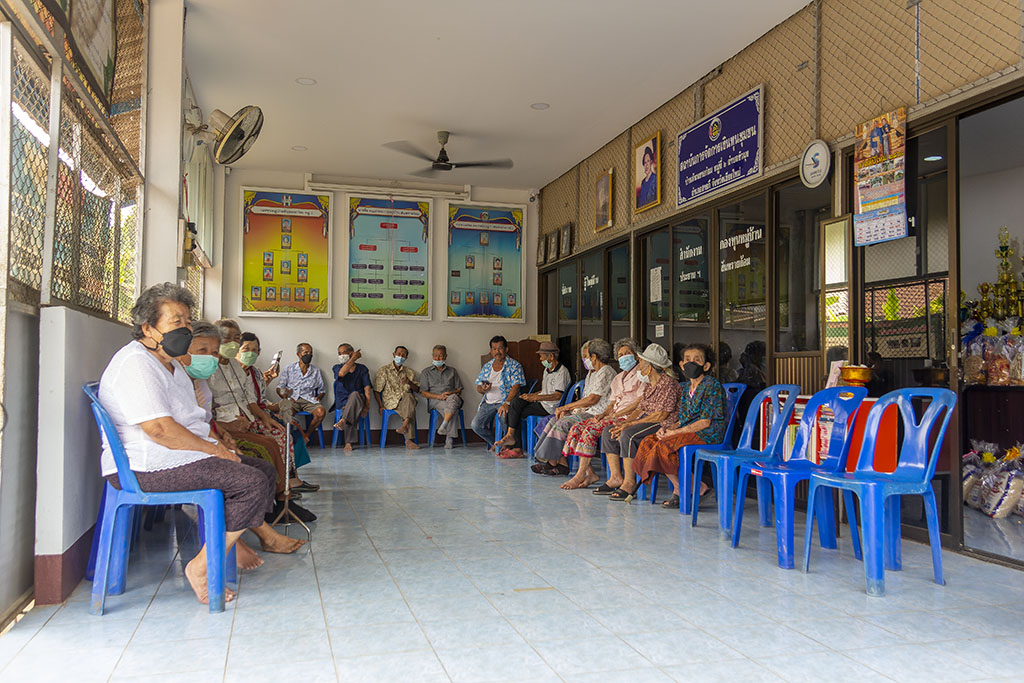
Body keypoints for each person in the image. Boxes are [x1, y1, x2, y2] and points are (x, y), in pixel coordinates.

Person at [98, 284, 305, 604]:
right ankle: (201, 566)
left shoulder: (170, 363)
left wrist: (218, 442)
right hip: (147, 466)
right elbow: (160, 429)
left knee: (262, 469)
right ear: (148, 328)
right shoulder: (137, 364)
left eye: (187, 320)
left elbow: (189, 420)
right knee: (248, 482)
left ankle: (247, 540)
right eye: (175, 321)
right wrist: (214, 449)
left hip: (176, 457)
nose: (185, 327)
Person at [633, 343, 726, 509]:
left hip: (708, 433)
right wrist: (667, 429)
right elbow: (682, 419)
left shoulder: (711, 385)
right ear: (682, 365)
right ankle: (687, 487)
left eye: (697, 360)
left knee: (665, 445)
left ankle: (688, 488)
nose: (691, 363)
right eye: (687, 360)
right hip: (688, 431)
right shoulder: (686, 388)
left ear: (706, 366)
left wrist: (673, 433)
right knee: (650, 441)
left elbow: (705, 422)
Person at [595, 343, 682, 501]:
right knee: (609, 431)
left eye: (642, 362)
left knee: (629, 434)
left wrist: (629, 425)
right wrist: (624, 421)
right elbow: (640, 408)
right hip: (648, 420)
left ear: (649, 367)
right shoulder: (650, 384)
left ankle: (629, 482)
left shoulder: (668, 384)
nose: (639, 365)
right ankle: (616, 477)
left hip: (663, 424)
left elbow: (661, 415)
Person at [559, 339, 647, 489]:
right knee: (577, 428)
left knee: (590, 430)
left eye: (627, 353)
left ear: (636, 356)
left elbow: (639, 402)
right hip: (613, 414)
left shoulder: (642, 376)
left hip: (627, 417)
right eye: (620, 355)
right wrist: (604, 414)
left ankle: (580, 475)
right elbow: (612, 403)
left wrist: (615, 415)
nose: (624, 357)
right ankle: (591, 473)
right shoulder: (619, 378)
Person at [531, 339, 616, 475]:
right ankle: (557, 462)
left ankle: (551, 461)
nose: (584, 360)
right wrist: (570, 410)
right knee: (555, 420)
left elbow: (592, 399)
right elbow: (585, 399)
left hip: (597, 413)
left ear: (594, 356)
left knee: (564, 423)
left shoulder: (606, 371)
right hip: (588, 411)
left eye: (586, 356)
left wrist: (566, 407)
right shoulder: (591, 373)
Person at [237, 332, 312, 472]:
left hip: (261, 412)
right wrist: (268, 414)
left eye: (255, 350)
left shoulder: (256, 372)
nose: (251, 353)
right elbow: (249, 402)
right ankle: (286, 479)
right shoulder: (233, 374)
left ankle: (293, 477)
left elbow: (260, 397)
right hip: (247, 417)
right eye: (246, 349)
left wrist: (275, 406)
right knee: (285, 432)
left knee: (293, 426)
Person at [494, 341, 570, 459]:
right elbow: (546, 390)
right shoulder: (547, 370)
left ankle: (515, 445)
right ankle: (511, 437)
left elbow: (557, 395)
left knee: (515, 412)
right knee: (516, 402)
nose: (540, 359)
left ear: (550, 356)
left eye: (542, 356)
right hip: (542, 402)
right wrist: (532, 395)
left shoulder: (562, 372)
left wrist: (535, 397)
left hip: (550, 407)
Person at [471, 335, 525, 450]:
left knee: (505, 419)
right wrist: (483, 389)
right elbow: (479, 387)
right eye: (494, 349)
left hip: (504, 401)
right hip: (488, 402)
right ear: (491, 351)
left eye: (500, 348)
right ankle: (496, 444)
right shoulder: (487, 366)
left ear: (506, 349)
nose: (497, 351)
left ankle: (508, 446)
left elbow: (516, 387)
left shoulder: (514, 365)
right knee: (475, 425)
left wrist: (507, 403)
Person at [276, 343, 327, 444]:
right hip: (293, 398)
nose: (309, 355)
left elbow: (322, 390)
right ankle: (298, 438)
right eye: (306, 352)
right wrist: (284, 396)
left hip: (309, 400)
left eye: (311, 353)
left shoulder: (316, 371)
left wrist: (319, 397)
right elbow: (279, 388)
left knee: (321, 411)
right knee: (286, 413)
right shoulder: (289, 369)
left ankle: (307, 436)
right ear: (298, 354)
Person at [373, 346, 420, 449]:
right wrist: (380, 406)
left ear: (406, 358)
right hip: (391, 402)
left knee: (409, 397)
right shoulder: (384, 370)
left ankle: (405, 428)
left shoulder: (409, 372)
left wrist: (409, 382)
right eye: (399, 354)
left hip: (406, 401)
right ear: (394, 355)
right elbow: (377, 390)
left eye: (403, 355)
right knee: (410, 409)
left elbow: (417, 389)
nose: (400, 356)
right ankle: (408, 438)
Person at [419, 344, 464, 448]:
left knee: (453, 399)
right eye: (435, 355)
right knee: (454, 409)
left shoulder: (452, 371)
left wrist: (450, 393)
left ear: (445, 356)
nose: (437, 358)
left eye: (440, 356)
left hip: (451, 397)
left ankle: (444, 425)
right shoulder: (426, 372)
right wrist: (439, 396)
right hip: (436, 401)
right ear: (432, 356)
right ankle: (449, 438)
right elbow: (423, 392)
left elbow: (459, 389)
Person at [330, 343, 372, 451]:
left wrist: (367, 406)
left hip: (359, 400)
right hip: (342, 401)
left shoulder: (362, 369)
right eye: (339, 353)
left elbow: (367, 388)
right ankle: (348, 440)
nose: (341, 355)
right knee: (350, 407)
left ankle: (344, 424)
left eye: (343, 353)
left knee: (354, 395)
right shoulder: (336, 367)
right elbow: (342, 374)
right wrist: (353, 359)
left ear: (351, 353)